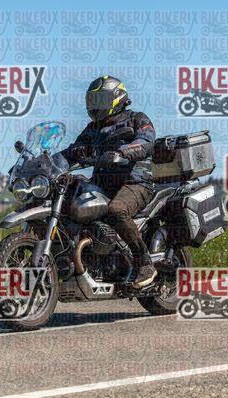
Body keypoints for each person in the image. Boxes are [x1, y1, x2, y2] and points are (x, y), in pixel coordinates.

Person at [60, 76, 157, 288]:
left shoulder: (137, 119)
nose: (95, 106)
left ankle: (144, 262)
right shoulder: (92, 128)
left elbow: (146, 141)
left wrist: (122, 152)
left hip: (135, 182)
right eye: (93, 100)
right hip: (103, 183)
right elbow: (72, 151)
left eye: (100, 100)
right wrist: (47, 163)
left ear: (116, 98)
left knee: (117, 210)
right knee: (69, 201)